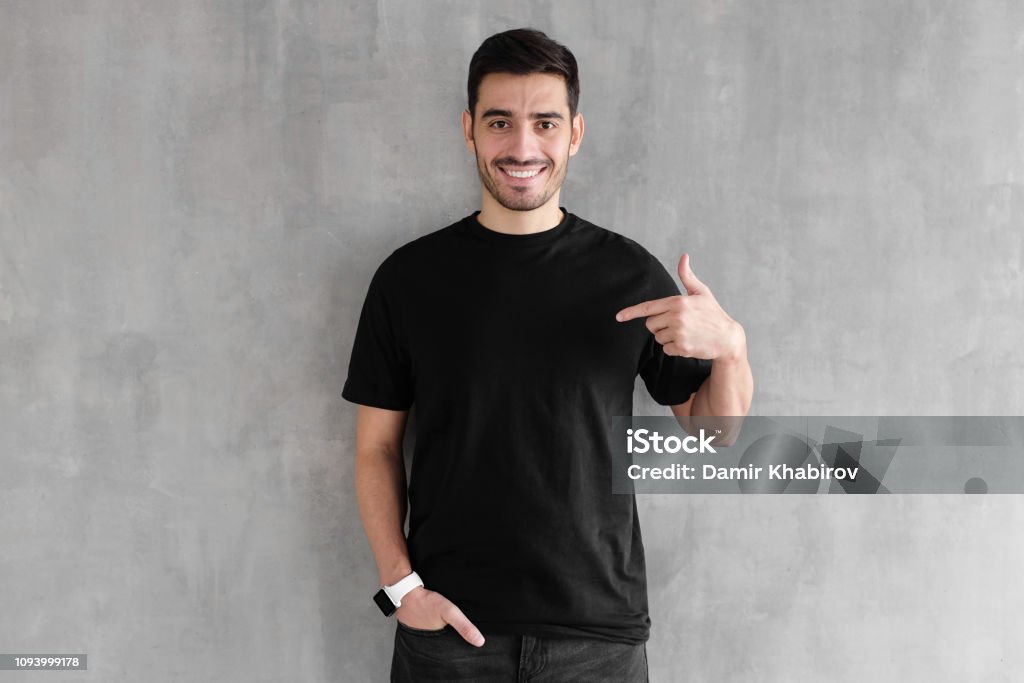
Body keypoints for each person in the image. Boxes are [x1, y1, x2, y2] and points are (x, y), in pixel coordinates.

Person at [342, 27, 753, 683]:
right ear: (470, 129)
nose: (523, 146)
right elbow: (376, 450)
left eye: (545, 122)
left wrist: (731, 348)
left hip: (598, 640)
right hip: (449, 636)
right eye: (500, 121)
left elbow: (714, 432)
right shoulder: (408, 279)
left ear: (575, 133)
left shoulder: (629, 274)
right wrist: (402, 589)